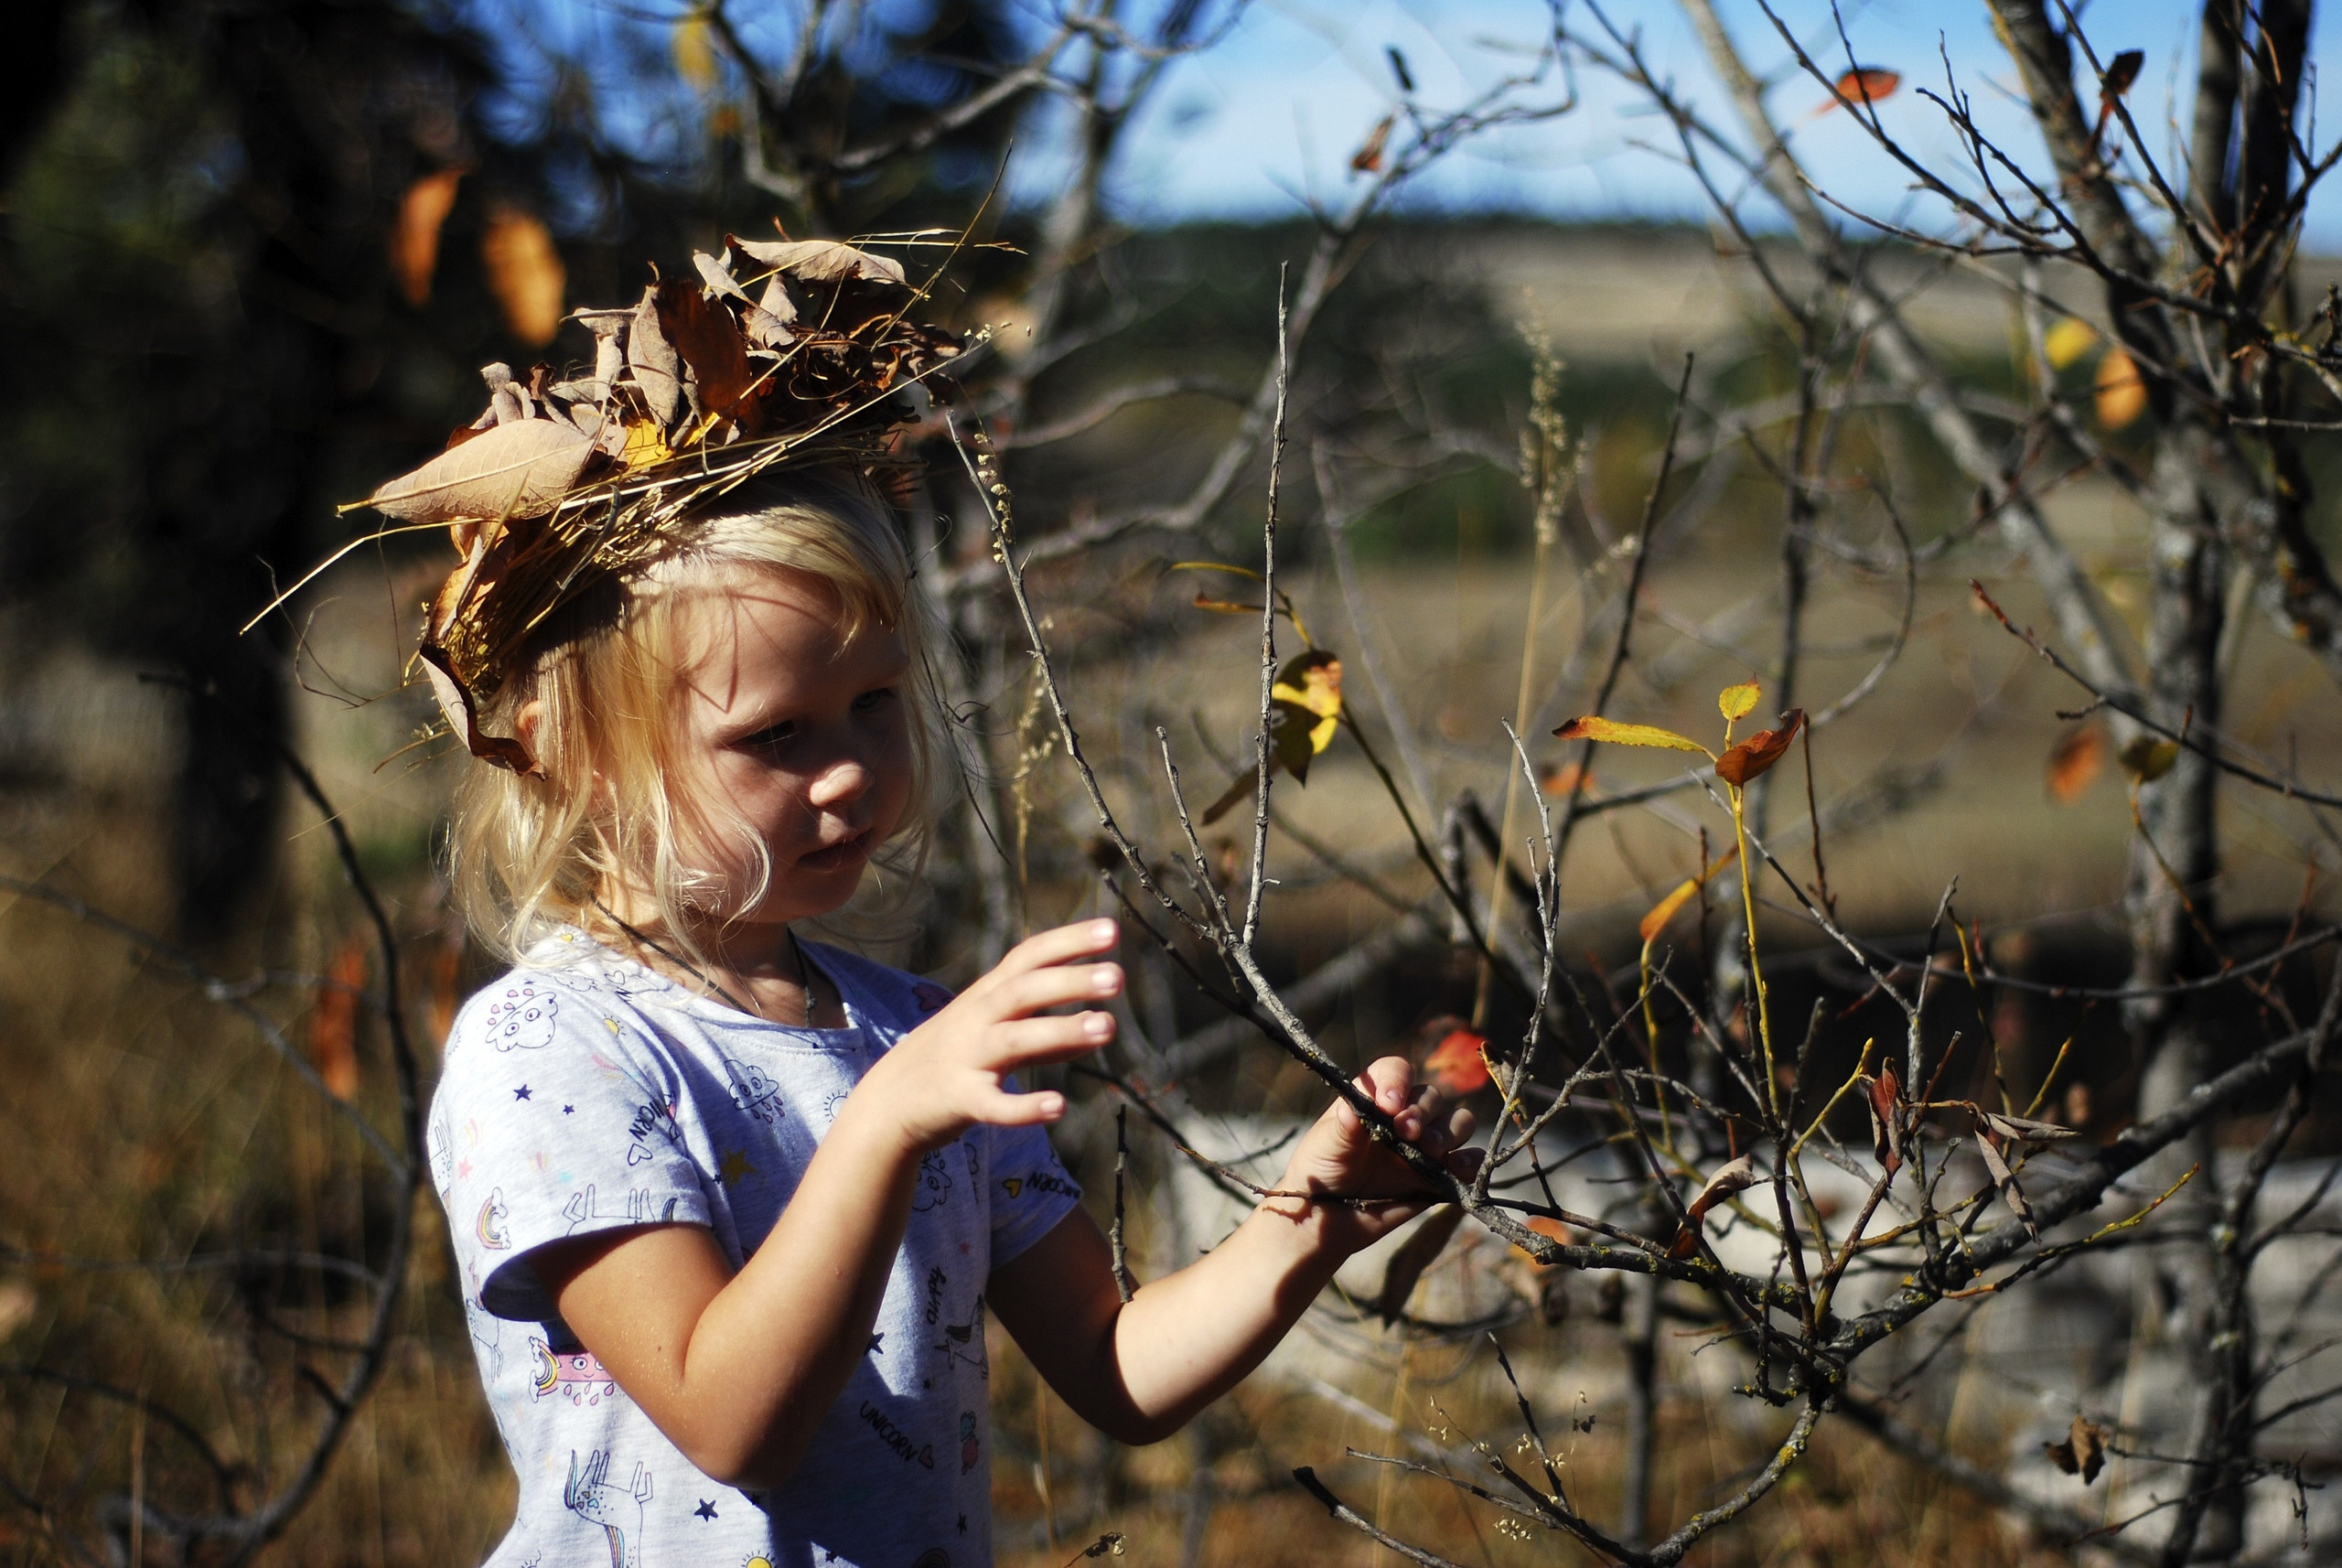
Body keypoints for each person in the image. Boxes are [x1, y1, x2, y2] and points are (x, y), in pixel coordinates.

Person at [376, 241, 1475, 1568]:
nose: (850, 768)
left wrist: (1301, 1219)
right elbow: (730, 1419)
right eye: (775, 734)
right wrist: (886, 1118)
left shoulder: (917, 1039)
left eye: (876, 704)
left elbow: (1117, 1367)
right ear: (575, 755)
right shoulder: (553, 1051)